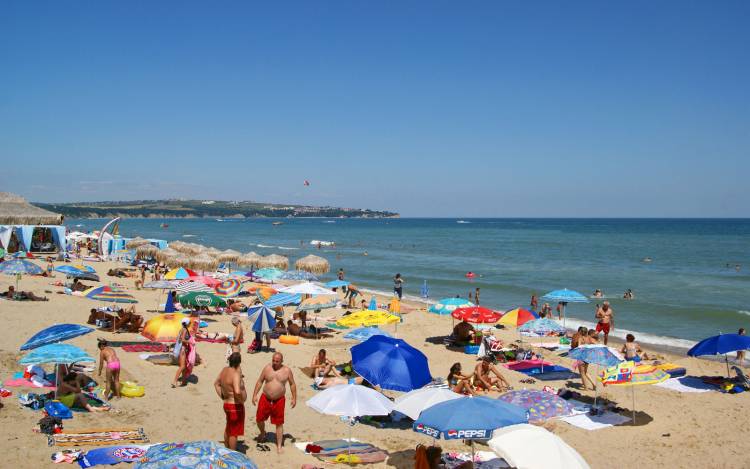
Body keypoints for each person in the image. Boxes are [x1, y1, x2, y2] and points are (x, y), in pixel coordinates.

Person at [252, 352, 297, 453]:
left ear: (281, 361)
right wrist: (255, 394)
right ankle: (263, 432)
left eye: (277, 361)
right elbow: (260, 381)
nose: (275, 363)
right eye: (273, 360)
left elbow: (292, 384)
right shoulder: (267, 368)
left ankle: (279, 445)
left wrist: (294, 398)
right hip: (265, 397)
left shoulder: (287, 371)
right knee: (259, 418)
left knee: (279, 423)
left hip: (279, 400)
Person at [214, 352, 247, 450]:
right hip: (235, 406)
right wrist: (241, 401)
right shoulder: (235, 374)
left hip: (227, 404)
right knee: (234, 432)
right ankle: (232, 453)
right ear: (239, 363)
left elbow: (216, 384)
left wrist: (223, 396)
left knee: (228, 427)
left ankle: (227, 447)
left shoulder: (224, 370)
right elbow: (237, 391)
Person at [172, 318, 195, 388]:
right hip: (182, 350)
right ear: (187, 323)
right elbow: (182, 340)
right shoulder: (184, 330)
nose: (190, 324)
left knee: (184, 366)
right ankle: (174, 381)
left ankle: (184, 381)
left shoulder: (182, 329)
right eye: (190, 323)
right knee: (182, 366)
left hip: (182, 349)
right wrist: (190, 342)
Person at [571, 327, 595, 391]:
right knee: (585, 372)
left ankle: (586, 388)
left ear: (581, 332)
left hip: (581, 357)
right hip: (587, 357)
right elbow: (594, 344)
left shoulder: (580, 338)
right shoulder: (589, 338)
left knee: (582, 373)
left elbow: (579, 348)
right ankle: (594, 384)